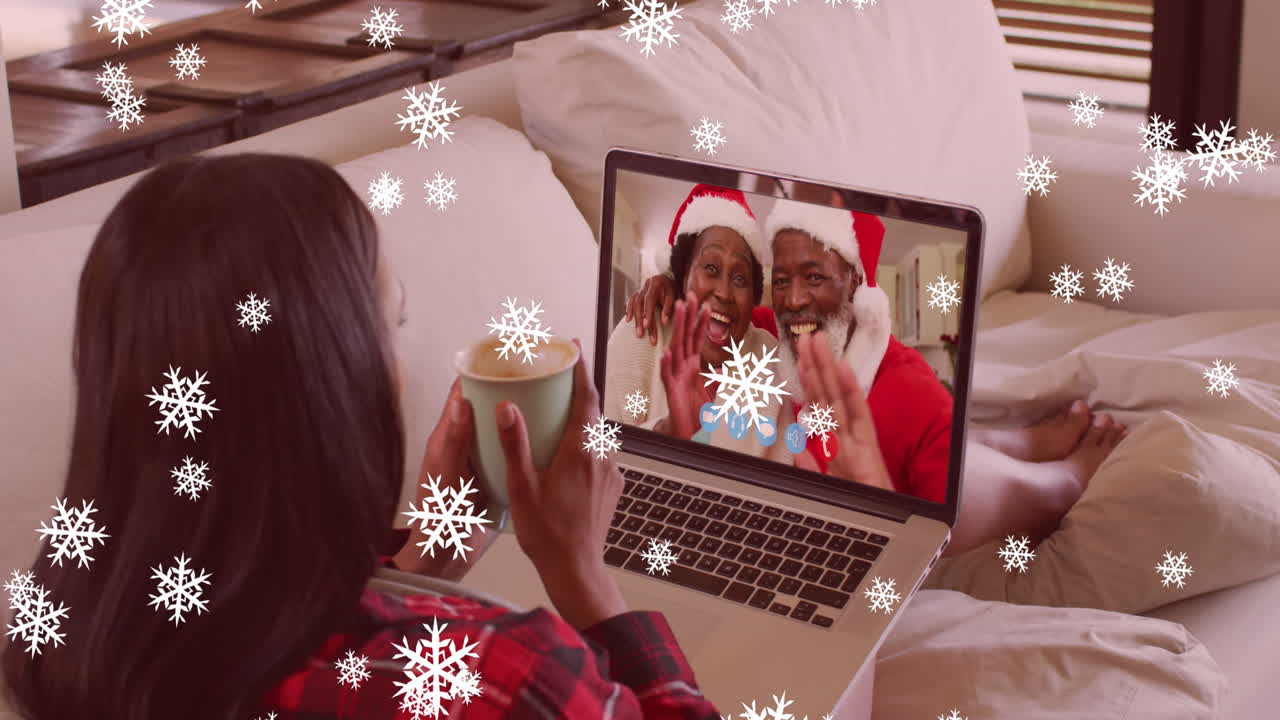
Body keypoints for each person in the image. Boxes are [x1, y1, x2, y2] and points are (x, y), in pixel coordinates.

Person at [2, 154, 768, 720]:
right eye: (391, 325)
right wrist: (583, 577)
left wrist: (421, 564)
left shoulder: (62, 646)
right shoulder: (505, 678)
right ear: (339, 386)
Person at [624, 198, 1128, 555]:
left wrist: (1065, 484)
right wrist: (668, 281)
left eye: (815, 277)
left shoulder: (908, 390)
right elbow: (723, 308)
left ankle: (1061, 477)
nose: (794, 299)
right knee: (958, 445)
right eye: (781, 281)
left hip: (906, 478)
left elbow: (940, 532)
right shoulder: (765, 332)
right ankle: (1012, 441)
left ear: (855, 285)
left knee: (957, 477)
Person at [605, 184, 777, 447]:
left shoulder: (770, 358)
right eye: (711, 268)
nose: (724, 292)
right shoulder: (639, 335)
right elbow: (599, 455)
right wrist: (669, 430)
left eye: (740, 278)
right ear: (682, 276)